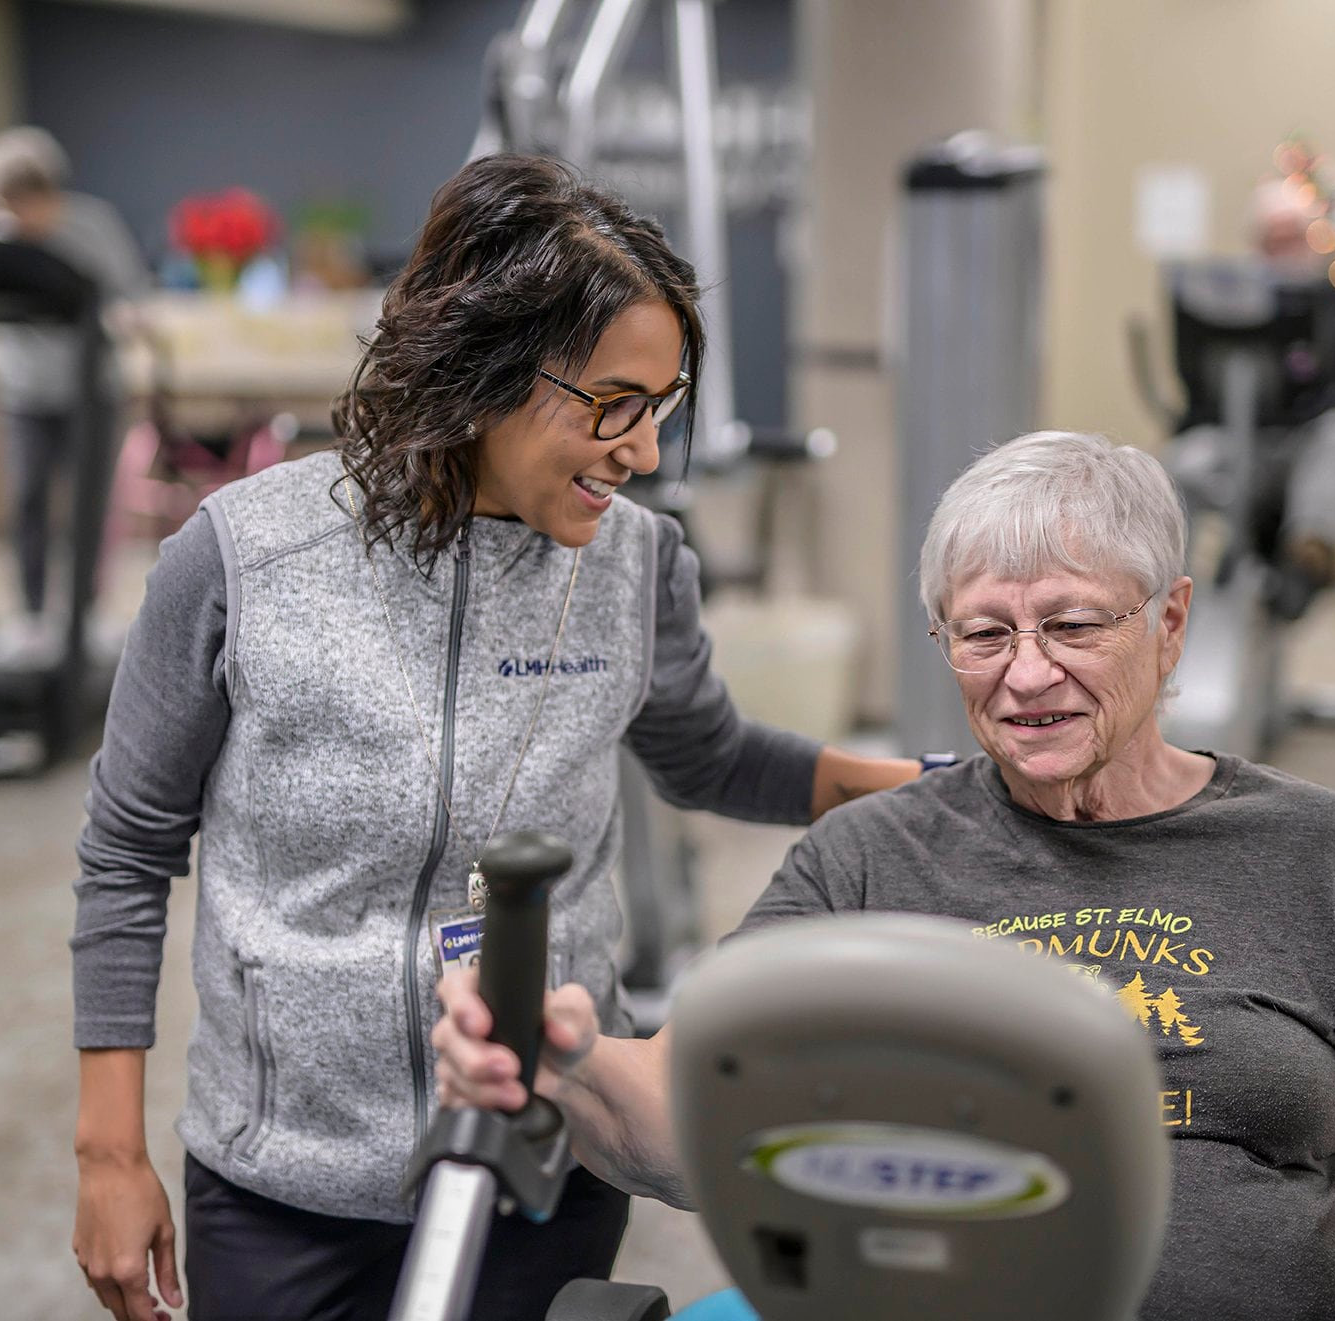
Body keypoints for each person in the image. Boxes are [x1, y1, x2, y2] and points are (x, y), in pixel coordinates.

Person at [435, 431, 1335, 1320]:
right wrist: (568, 1061)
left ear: (1170, 624)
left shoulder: (1318, 854)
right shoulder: (869, 856)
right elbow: (693, 1105)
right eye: (982, 635)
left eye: (1072, 625)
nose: (1024, 675)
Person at [68, 153, 922, 1321]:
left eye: (659, 406)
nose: (644, 452)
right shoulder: (243, 560)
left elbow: (707, 753)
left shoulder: (636, 562)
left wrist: (931, 790)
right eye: (612, 403)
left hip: (545, 1166)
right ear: (486, 366)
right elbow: (126, 850)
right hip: (287, 1189)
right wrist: (108, 1157)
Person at [1165, 182, 1335, 619]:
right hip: (1232, 444)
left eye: (1292, 237)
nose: (1283, 249)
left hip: (1308, 448)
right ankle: (1159, 595)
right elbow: (1194, 386)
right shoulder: (1218, 303)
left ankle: (1307, 561)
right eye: (1272, 239)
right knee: (1180, 463)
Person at [0, 126, 148, 664]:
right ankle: (30, 613)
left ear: (49, 195)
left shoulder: (92, 226)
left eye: (26, 204)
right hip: (24, 392)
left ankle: (85, 613)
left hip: (89, 390)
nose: (19, 217)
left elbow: (130, 292)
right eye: (7, 205)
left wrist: (124, 317)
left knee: (88, 504)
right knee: (27, 498)